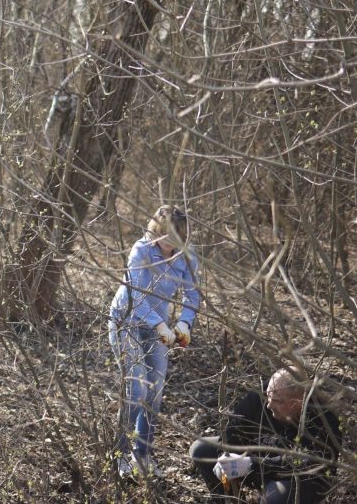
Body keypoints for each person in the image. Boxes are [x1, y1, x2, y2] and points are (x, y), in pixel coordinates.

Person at [108, 204, 200, 478]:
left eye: (177, 235)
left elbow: (192, 295)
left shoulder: (187, 257)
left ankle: (143, 455)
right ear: (155, 230)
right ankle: (119, 454)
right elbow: (136, 297)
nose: (170, 241)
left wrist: (184, 323)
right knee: (137, 391)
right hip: (127, 321)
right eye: (165, 233)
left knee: (155, 390)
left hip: (156, 326)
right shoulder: (141, 251)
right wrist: (161, 326)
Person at [190, 367, 341, 503]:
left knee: (275, 498)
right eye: (268, 397)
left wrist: (252, 464)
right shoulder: (262, 395)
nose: (269, 405)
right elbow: (233, 429)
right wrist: (225, 456)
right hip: (257, 463)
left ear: (298, 402)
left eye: (277, 401)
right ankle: (229, 500)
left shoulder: (323, 417)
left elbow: (310, 462)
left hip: (297, 478)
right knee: (202, 449)